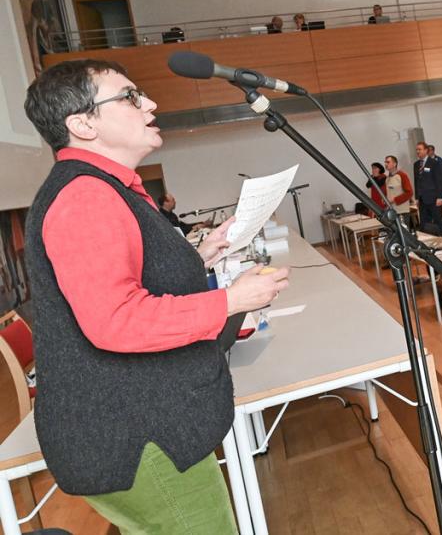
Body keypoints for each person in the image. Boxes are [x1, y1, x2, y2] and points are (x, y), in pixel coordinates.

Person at [22, 59, 289, 530]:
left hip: (142, 425)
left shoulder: (107, 187)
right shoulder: (87, 196)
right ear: (83, 124)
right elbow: (116, 320)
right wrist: (231, 301)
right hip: (134, 435)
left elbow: (128, 276)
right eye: (129, 97)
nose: (150, 103)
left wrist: (201, 255)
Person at [413, 141, 442, 232]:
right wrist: (416, 197)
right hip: (422, 199)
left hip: (434, 198)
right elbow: (416, 181)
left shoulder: (434, 163)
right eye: (417, 150)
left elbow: (439, 180)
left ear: (426, 150)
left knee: (437, 222)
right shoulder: (416, 165)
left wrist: (440, 197)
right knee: (424, 224)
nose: (418, 151)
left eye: (419, 149)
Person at [383, 155, 413, 221]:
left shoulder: (402, 175)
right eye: (385, 162)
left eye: (388, 162)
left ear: (394, 164)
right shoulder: (387, 178)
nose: (385, 164)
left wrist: (394, 200)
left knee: (403, 231)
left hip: (402, 212)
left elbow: (409, 193)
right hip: (391, 211)